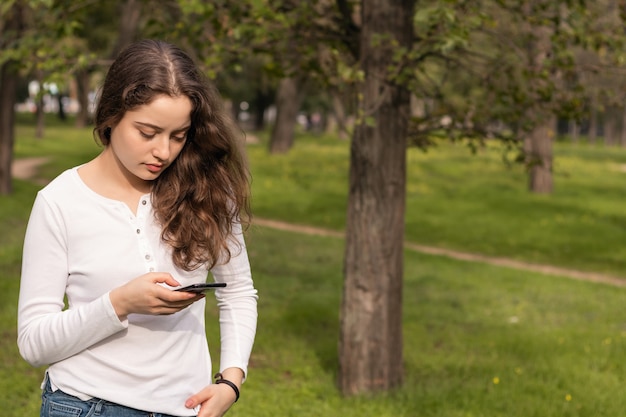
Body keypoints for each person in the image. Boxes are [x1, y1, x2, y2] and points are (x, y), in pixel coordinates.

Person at [17, 39, 258, 417]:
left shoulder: (208, 189)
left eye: (178, 136)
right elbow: (33, 344)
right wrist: (119, 304)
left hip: (186, 406)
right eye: (148, 133)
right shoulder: (59, 201)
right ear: (111, 116)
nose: (164, 151)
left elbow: (239, 292)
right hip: (84, 406)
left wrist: (231, 381)